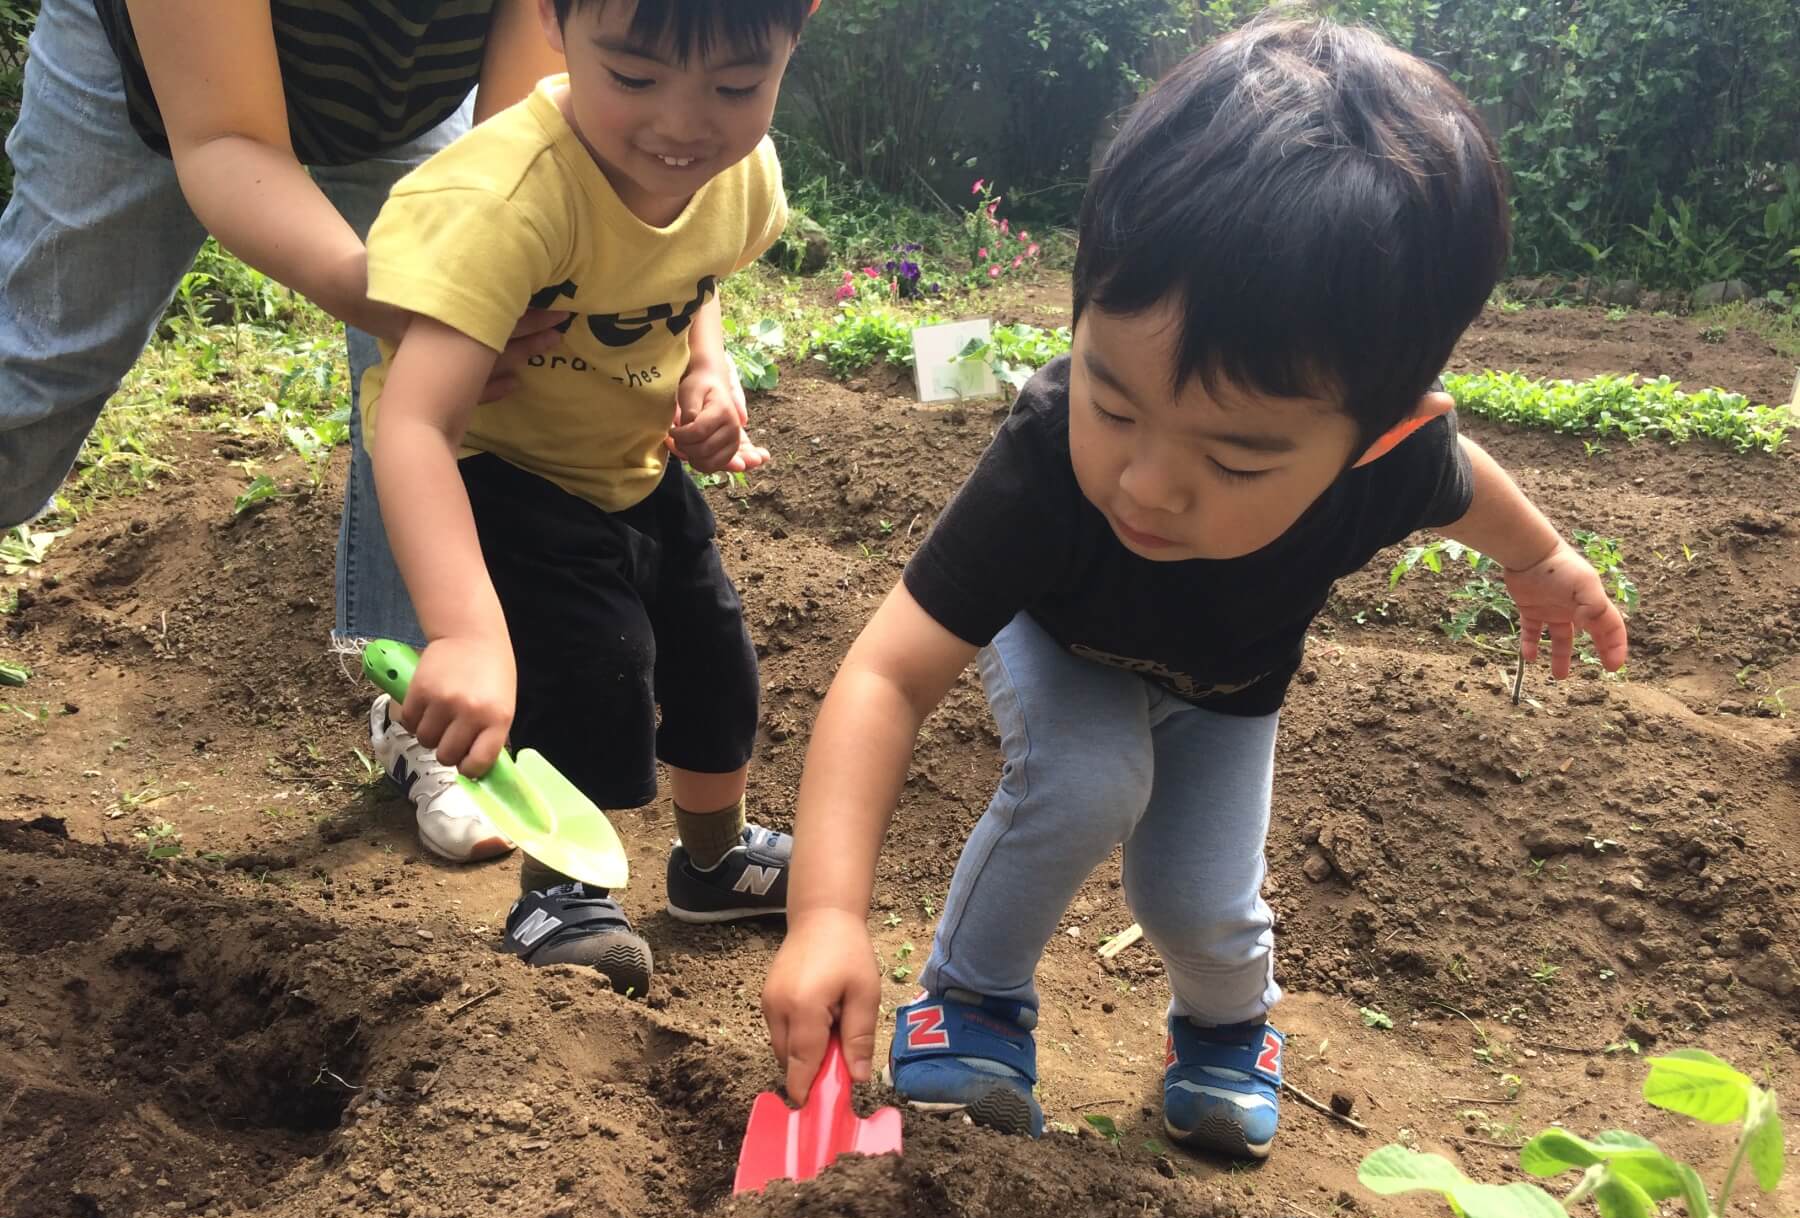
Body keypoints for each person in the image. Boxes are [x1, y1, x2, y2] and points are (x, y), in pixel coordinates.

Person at [760, 16, 1630, 1159]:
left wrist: (1543, 564)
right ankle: (970, 999)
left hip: (1230, 689)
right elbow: (885, 673)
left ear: (1372, 441)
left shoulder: (1396, 468)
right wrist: (826, 914)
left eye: (1236, 459)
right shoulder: (1040, 471)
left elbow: (1472, 489)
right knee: (1084, 777)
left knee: (1201, 897)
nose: (1148, 484)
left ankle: (1228, 1033)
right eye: (1112, 404)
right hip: (1063, 641)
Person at [0, 0, 568, 864]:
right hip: (150, 70)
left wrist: (481, 279)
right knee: (39, 362)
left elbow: (519, 142)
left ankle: (427, 699)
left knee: (466, 374)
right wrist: (366, 285)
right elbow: (229, 137)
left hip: (405, 98)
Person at [361, 0, 814, 993]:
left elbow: (694, 277)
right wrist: (471, 635)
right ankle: (557, 890)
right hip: (501, 458)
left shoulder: (738, 171)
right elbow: (413, 423)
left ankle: (713, 861)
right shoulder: (508, 199)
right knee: (595, 663)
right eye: (636, 78)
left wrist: (708, 369)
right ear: (554, 22)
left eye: (736, 85)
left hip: (631, 455)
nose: (683, 127)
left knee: (714, 660)